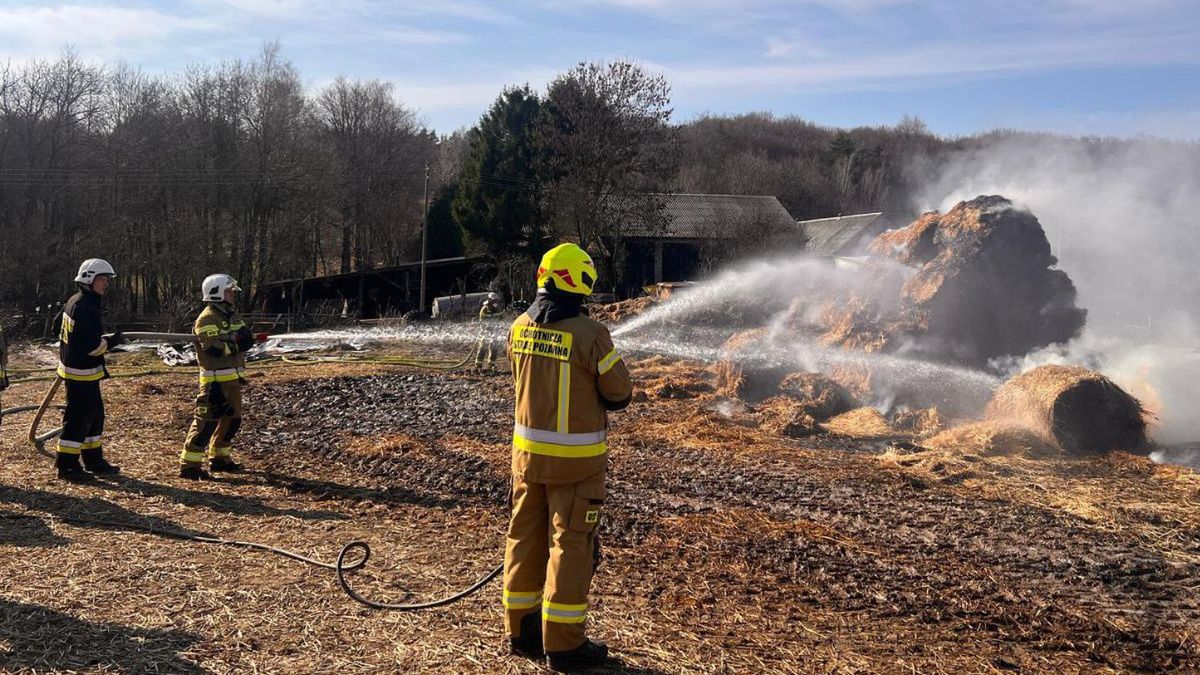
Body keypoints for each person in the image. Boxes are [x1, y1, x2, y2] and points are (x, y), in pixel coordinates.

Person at [503, 243, 633, 672]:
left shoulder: (519, 326)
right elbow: (620, 394)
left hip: (526, 463)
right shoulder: (591, 335)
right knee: (570, 547)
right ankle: (563, 644)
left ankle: (520, 631)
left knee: (524, 538)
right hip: (576, 468)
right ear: (579, 281)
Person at [180, 274, 262, 480]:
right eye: (228, 291)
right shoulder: (207, 318)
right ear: (216, 293)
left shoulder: (232, 316)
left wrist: (245, 339)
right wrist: (236, 344)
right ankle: (190, 465)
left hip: (233, 380)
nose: (232, 294)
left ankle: (219, 459)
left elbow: (245, 335)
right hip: (214, 383)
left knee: (233, 421)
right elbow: (212, 348)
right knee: (206, 423)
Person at [55, 259, 123, 481]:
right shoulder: (86, 308)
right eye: (102, 279)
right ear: (89, 279)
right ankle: (67, 465)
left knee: (94, 416)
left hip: (82, 372)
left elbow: (60, 327)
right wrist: (111, 343)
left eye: (106, 280)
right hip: (80, 373)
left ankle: (93, 460)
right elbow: (92, 348)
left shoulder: (75, 302)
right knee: (78, 418)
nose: (106, 284)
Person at [473, 292, 503, 371]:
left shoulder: (498, 309)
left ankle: (491, 363)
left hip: (495, 331)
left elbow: (501, 319)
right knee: (483, 345)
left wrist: (499, 327)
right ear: (490, 301)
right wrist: (488, 328)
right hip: (485, 330)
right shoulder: (484, 309)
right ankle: (478, 364)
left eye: (496, 301)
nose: (495, 303)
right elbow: (482, 322)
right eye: (494, 301)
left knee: (494, 345)